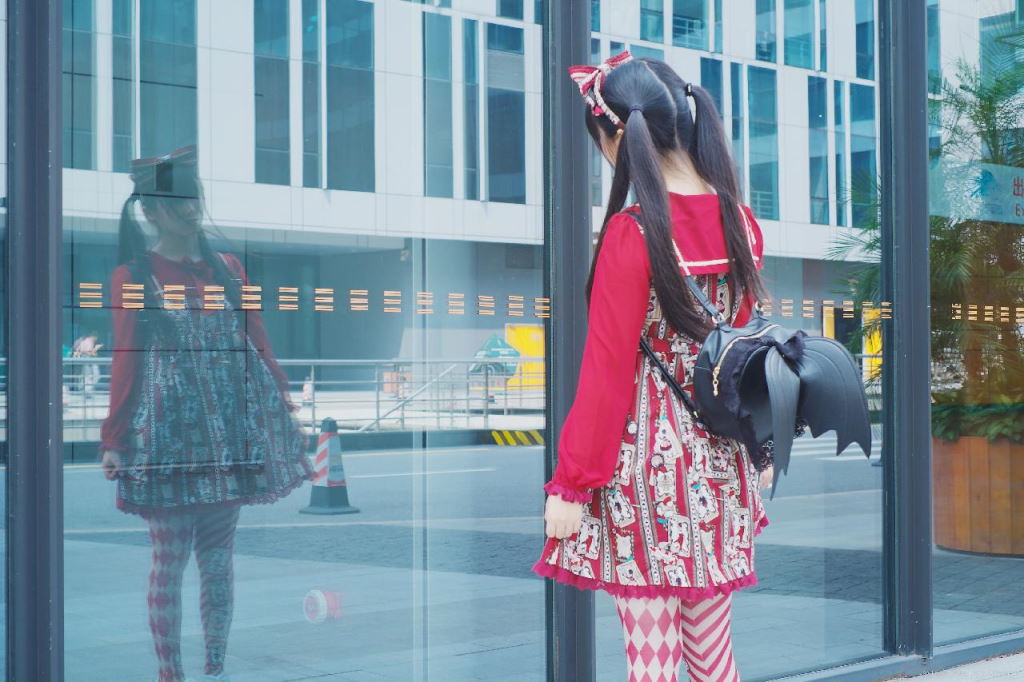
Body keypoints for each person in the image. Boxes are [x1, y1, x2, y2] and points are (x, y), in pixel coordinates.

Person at [532, 53, 774, 682]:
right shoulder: (741, 223)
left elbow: (607, 374)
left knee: (653, 665)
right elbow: (741, 350)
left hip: (648, 472)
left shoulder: (632, 234)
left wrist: (571, 484)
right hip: (722, 462)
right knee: (713, 661)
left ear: (617, 136)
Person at [99, 146, 314, 682]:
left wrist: (286, 406)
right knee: (168, 561)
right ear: (151, 212)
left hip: (226, 433)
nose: (190, 210)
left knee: (218, 560)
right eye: (176, 203)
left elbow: (256, 343)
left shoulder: (228, 267)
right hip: (166, 435)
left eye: (193, 197)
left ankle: (214, 667)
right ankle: (170, 674)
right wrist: (114, 437)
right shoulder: (132, 274)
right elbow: (126, 358)